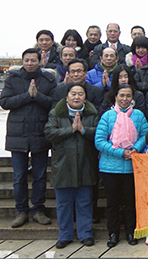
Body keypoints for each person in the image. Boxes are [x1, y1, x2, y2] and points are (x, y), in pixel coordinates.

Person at [0, 48, 57, 228]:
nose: (30, 63)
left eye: (34, 60)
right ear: (23, 61)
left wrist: (37, 96)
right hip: (18, 133)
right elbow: (5, 102)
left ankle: (38, 209)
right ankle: (21, 211)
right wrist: (27, 96)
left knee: (40, 176)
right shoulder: (13, 79)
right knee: (19, 176)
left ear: (41, 61)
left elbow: (53, 103)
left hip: (40, 132)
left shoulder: (48, 79)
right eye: (27, 60)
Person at [95, 84, 148, 248]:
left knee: (131, 201)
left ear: (132, 98)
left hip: (132, 166)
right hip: (110, 167)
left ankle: (131, 232)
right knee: (113, 202)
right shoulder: (108, 116)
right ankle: (113, 233)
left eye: (128, 96)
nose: (125, 99)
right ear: (116, 97)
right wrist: (120, 153)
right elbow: (99, 141)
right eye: (121, 96)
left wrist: (135, 149)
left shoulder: (138, 115)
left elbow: (145, 135)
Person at [45, 83, 98, 248]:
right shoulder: (56, 113)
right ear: (67, 96)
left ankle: (85, 233)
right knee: (63, 203)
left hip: (85, 163)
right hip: (63, 164)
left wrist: (83, 130)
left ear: (85, 97)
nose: (76, 97)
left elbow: (99, 133)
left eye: (80, 94)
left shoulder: (92, 113)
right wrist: (71, 129)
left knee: (84, 202)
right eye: (73, 94)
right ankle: (65, 235)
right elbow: (49, 133)